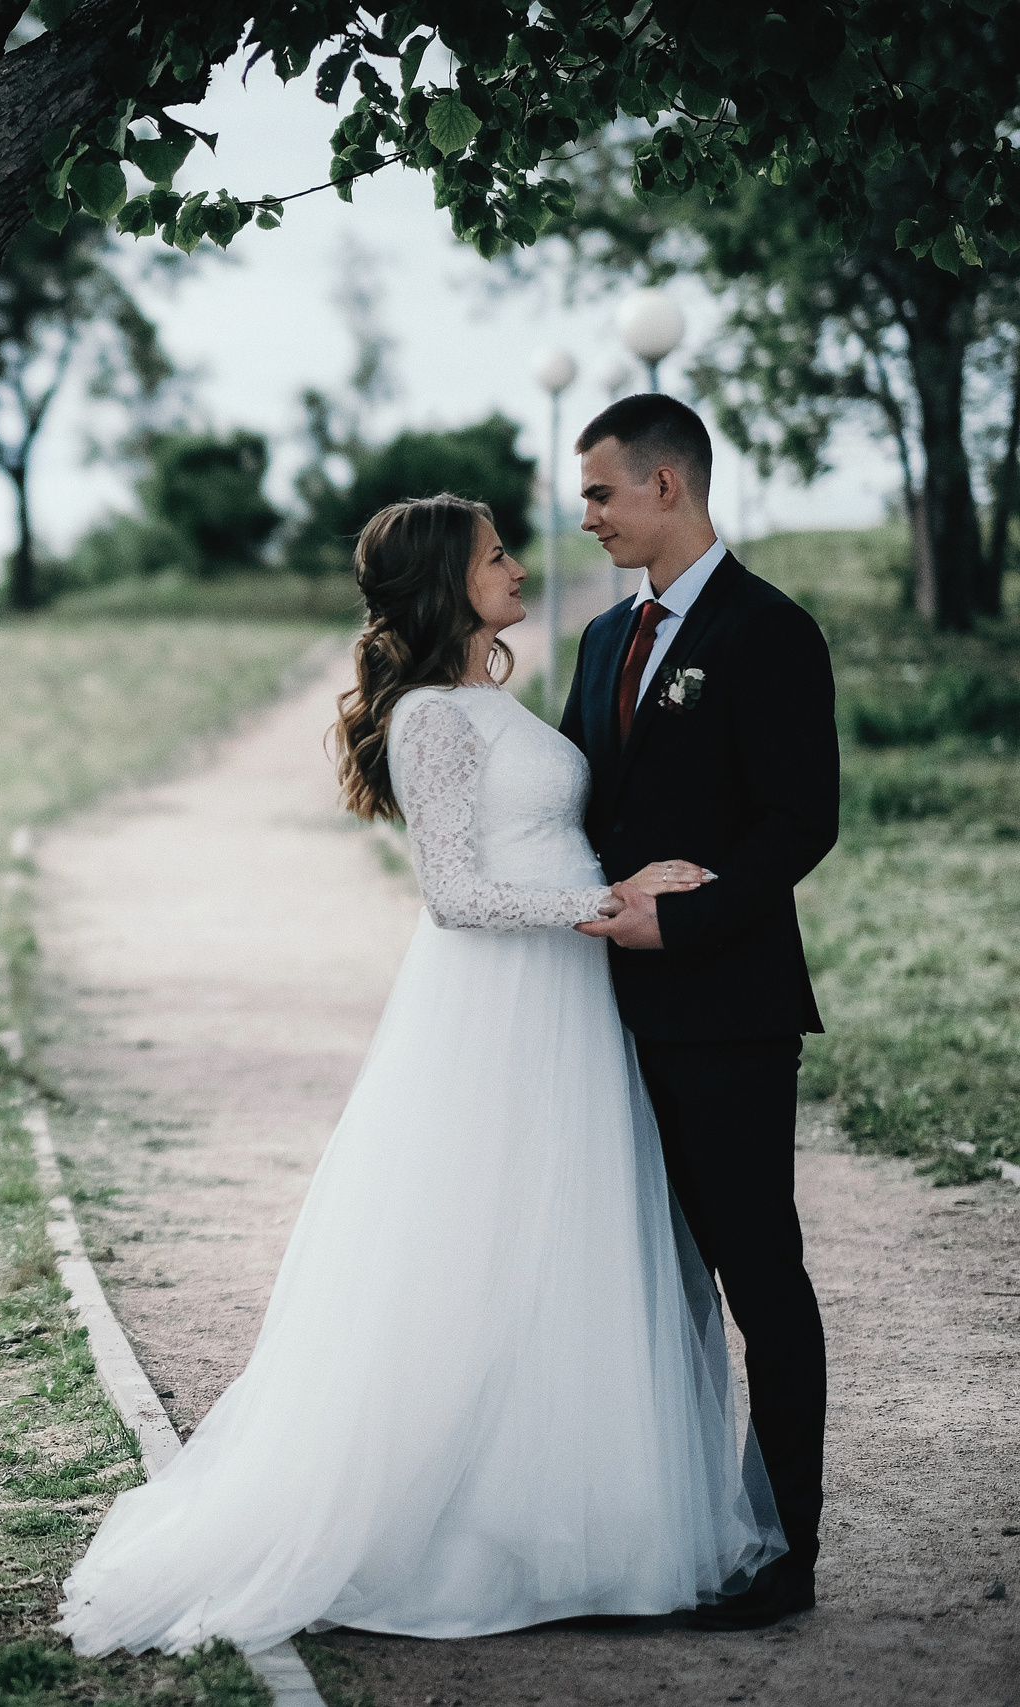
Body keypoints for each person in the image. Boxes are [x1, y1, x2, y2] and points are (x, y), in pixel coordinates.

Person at [56, 493, 783, 1660]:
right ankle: (467, 1533)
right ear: (450, 583)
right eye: (496, 556)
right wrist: (606, 903)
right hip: (503, 1005)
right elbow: (453, 895)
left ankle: (576, 1529)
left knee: (565, 1245)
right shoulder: (430, 719)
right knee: (484, 1246)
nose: (517, 567)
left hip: (567, 1001)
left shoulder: (486, 699)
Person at [562, 394, 838, 1629]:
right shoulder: (598, 641)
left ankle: (783, 1551)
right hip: (598, 1021)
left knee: (756, 1273)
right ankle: (664, 1536)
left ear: (664, 484)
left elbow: (800, 819)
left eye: (600, 492)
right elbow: (582, 808)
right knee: (638, 1279)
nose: (587, 517)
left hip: (727, 1014)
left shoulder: (769, 631)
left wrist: (685, 920)